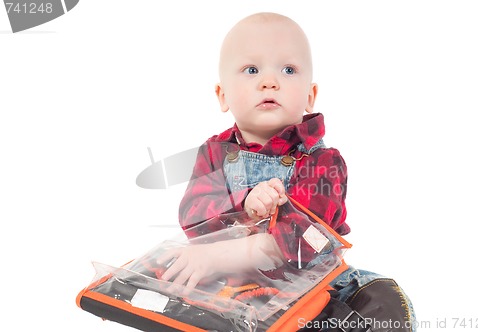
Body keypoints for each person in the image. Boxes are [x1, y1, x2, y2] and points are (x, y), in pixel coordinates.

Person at [158, 12, 416, 331]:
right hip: (233, 288)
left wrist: (219, 255)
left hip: (311, 289)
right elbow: (194, 219)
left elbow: (307, 243)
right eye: (251, 69)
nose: (270, 81)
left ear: (310, 96)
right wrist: (244, 204)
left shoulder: (323, 161)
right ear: (222, 95)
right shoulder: (214, 154)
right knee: (171, 287)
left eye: (288, 70)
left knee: (381, 305)